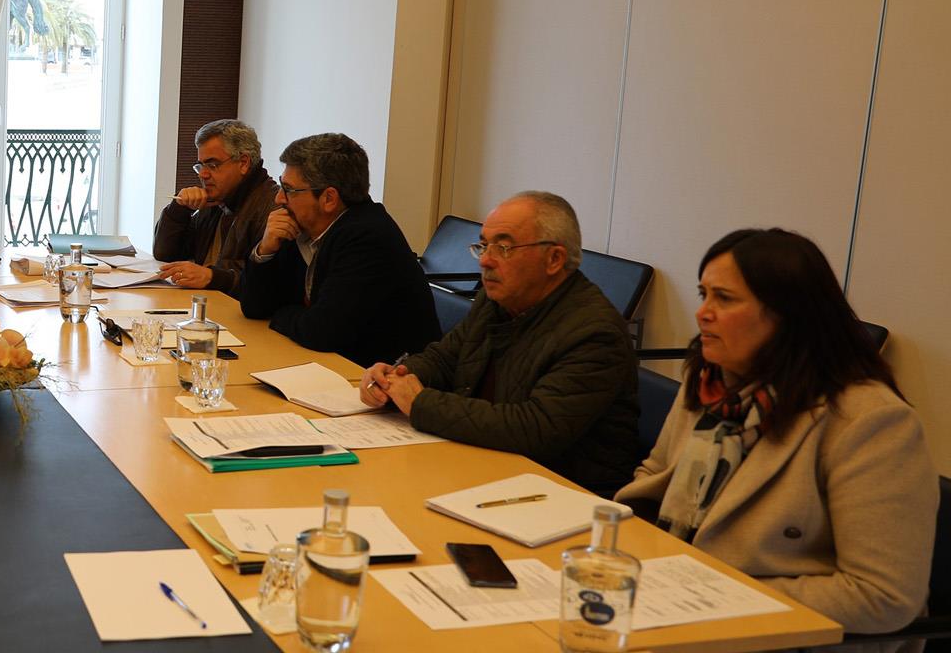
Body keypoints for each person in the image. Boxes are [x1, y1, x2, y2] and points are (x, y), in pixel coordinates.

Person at [617, 229, 933, 635]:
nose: (703, 313)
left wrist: (715, 590)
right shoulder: (711, 379)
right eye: (704, 294)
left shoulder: (870, 422)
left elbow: (883, 597)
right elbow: (655, 472)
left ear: (787, 315)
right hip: (668, 594)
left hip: (777, 630)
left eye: (724, 298)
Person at [359, 191, 639, 496]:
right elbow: (445, 359)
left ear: (554, 259)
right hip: (487, 465)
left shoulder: (594, 332)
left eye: (503, 248)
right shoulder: (497, 300)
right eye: (483, 246)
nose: (485, 260)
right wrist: (395, 378)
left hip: (563, 491)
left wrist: (420, 403)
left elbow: (535, 429)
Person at [238, 133, 438, 366]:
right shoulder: (301, 226)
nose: (279, 198)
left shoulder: (367, 237)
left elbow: (321, 331)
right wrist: (266, 250)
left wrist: (280, 314)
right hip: (329, 365)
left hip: (383, 376)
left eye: (289, 189)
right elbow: (254, 307)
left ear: (329, 199)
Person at [153, 119, 279, 292]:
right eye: (201, 166)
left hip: (235, 308)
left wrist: (212, 278)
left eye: (212, 165)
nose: (203, 175)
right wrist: (179, 209)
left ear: (243, 163)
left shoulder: (273, 206)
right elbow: (165, 254)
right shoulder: (215, 200)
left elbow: (268, 284)